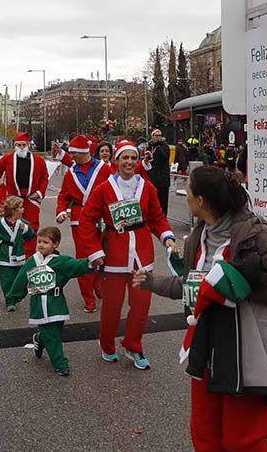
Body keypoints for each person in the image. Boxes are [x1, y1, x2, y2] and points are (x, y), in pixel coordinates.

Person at [134, 165, 267, 452]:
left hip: (245, 348)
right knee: (204, 433)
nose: (184, 194)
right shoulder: (199, 233)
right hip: (205, 345)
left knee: (243, 438)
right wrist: (151, 282)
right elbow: (189, 285)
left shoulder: (255, 232)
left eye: (187, 190)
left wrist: (238, 285)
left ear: (201, 200)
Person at [77, 139, 176, 370]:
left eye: (133, 157)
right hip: (114, 252)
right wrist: (94, 251)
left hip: (141, 252)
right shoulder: (104, 188)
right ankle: (106, 342)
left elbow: (157, 217)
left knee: (141, 303)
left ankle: (134, 344)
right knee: (112, 304)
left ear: (138, 160)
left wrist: (167, 237)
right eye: (125, 158)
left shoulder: (147, 187)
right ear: (116, 161)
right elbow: (87, 219)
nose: (129, 162)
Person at [6, 226, 94, 377]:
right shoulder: (32, 261)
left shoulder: (60, 262)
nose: (41, 245)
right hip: (39, 304)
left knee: (55, 333)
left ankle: (39, 339)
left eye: (45, 242)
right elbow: (22, 279)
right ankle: (61, 364)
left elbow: (76, 266)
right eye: (39, 241)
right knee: (52, 335)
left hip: (56, 304)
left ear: (55, 244)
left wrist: (91, 262)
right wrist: (13, 297)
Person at [55, 134, 111, 312]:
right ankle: (88, 298)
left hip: (103, 218)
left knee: (105, 255)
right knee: (85, 258)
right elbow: (63, 195)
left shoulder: (103, 169)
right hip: (79, 219)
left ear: (83, 152)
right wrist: (61, 210)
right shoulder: (71, 172)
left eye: (74, 154)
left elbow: (115, 189)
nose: (71, 157)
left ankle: (99, 285)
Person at [0, 132, 49, 256]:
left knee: (31, 229)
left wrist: (39, 192)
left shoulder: (38, 160)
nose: (21, 147)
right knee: (11, 227)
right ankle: (13, 256)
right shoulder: (7, 159)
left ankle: (28, 259)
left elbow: (45, 177)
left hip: (31, 199)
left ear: (28, 145)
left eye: (23, 145)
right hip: (13, 200)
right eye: (18, 145)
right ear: (15, 146)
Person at [0, 196, 36, 311]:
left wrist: (26, 229)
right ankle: (9, 300)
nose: (23, 210)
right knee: (7, 279)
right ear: (14, 210)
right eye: (21, 207)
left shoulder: (23, 223)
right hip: (5, 255)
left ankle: (16, 296)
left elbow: (31, 236)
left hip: (19, 254)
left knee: (20, 279)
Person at [146, 129, 171, 217]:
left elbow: (166, 157)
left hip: (163, 179)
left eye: (159, 135)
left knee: (163, 202)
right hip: (152, 178)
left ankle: (163, 219)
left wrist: (159, 147)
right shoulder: (150, 146)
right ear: (152, 137)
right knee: (152, 202)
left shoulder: (164, 146)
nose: (158, 137)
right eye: (156, 135)